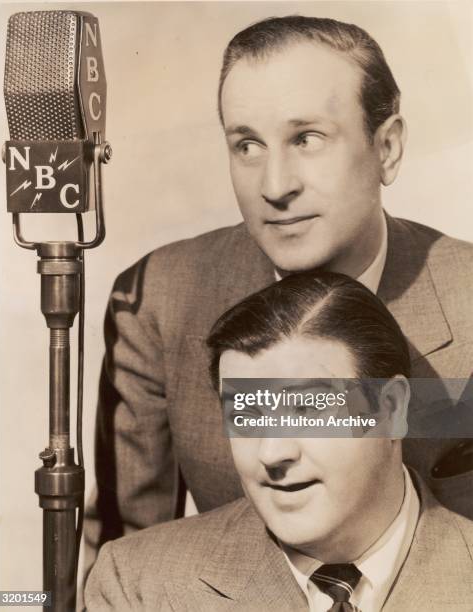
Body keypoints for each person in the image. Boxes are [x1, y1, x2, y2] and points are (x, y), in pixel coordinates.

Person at [83, 15, 473, 574]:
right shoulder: (160, 303)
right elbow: (128, 569)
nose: (275, 186)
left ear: (386, 147)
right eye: (247, 145)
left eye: (306, 139)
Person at [84, 272, 473, 611]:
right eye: (247, 416)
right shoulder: (138, 584)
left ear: (390, 409)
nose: (272, 452)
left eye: (306, 408)